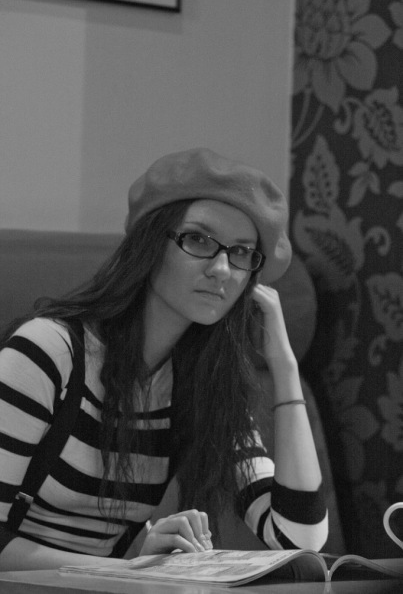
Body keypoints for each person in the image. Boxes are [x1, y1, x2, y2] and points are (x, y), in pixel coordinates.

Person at [0, 148, 328, 571]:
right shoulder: (49, 350)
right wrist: (131, 569)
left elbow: (299, 538)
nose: (222, 269)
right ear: (150, 244)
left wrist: (284, 367)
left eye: (242, 252)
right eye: (199, 239)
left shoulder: (201, 386)